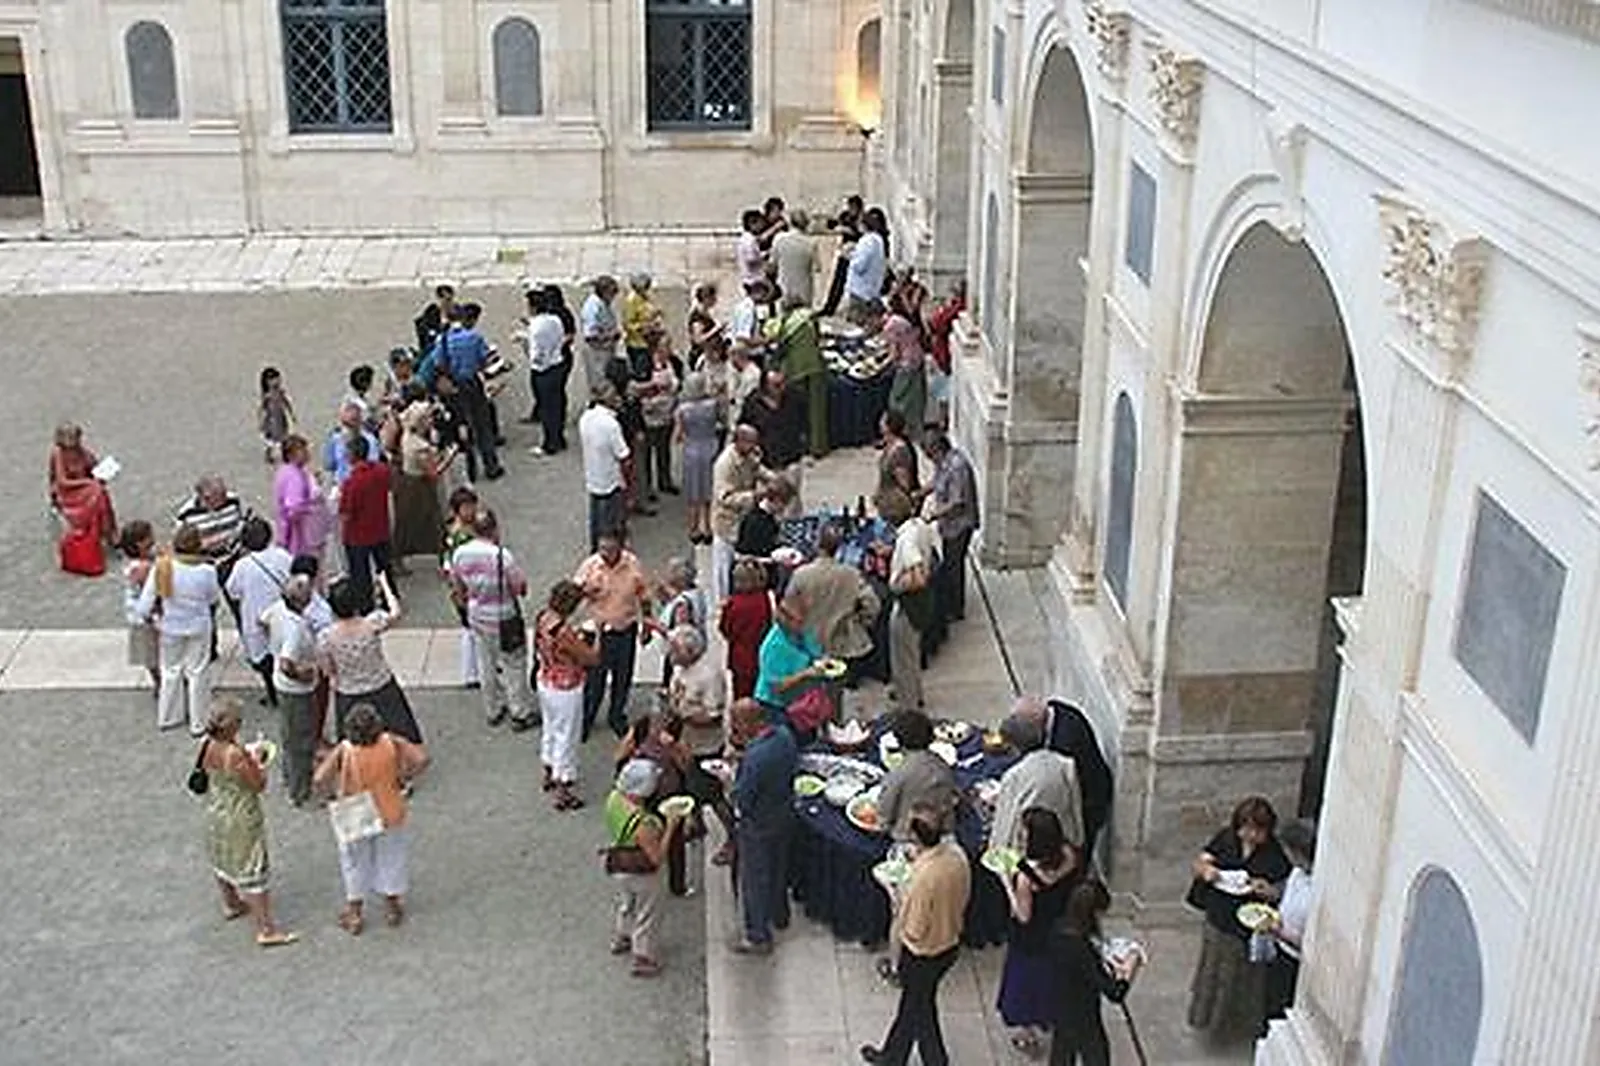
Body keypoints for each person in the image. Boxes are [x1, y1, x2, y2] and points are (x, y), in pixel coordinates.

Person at [859, 804, 971, 1066]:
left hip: (923, 954)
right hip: (950, 942)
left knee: (921, 1010)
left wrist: (893, 892)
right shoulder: (957, 857)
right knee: (914, 1005)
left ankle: (933, 1061)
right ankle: (893, 1055)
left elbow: (914, 930)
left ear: (917, 837)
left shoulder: (924, 878)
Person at [315, 703, 429, 935]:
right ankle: (392, 906)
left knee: (355, 862)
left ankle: (354, 912)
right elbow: (421, 759)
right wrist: (404, 777)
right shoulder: (391, 742)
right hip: (390, 810)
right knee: (391, 857)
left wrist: (329, 796)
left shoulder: (345, 750)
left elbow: (319, 778)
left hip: (356, 814)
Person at [1186, 796, 1292, 1041]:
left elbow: (1282, 889)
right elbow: (1202, 860)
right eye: (1246, 828)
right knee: (1213, 968)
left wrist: (1267, 890)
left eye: (1257, 830)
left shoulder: (1273, 854)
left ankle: (1232, 1025)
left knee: (1239, 976)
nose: (1250, 835)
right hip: (1219, 914)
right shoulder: (1226, 838)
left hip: (1246, 924)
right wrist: (1207, 871)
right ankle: (1208, 1019)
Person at [195, 702, 297, 948]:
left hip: (215, 809)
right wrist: (258, 763)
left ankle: (231, 903)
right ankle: (266, 928)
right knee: (252, 866)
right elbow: (258, 784)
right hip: (240, 815)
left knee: (222, 857)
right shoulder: (235, 754)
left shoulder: (205, 743)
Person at [997, 808, 1080, 1055]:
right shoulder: (1068, 854)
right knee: (1053, 979)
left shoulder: (1026, 876)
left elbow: (1023, 915)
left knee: (1026, 985)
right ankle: (1054, 1018)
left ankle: (1028, 1036)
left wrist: (1005, 882)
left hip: (1032, 937)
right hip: (1060, 926)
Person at [449, 509, 537, 731]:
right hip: (504, 617)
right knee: (513, 664)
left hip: (477, 616)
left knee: (485, 662)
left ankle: (493, 708)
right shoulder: (502, 556)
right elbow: (520, 588)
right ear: (494, 529)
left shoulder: (460, 554)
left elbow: (458, 587)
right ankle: (519, 712)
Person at [317, 574, 424, 744]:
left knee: (353, 739)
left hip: (348, 691)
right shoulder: (372, 623)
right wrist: (385, 586)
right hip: (380, 683)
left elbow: (327, 669)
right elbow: (396, 612)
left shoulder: (326, 637)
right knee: (398, 729)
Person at [728, 698, 799, 954]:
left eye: (736, 722)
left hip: (758, 824)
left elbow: (743, 799)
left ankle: (758, 935)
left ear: (748, 723)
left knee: (755, 879)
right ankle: (780, 914)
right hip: (784, 813)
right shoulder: (784, 736)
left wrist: (730, 781)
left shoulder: (756, 758)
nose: (733, 727)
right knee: (779, 867)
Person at [136, 525, 221, 735]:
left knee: (170, 670)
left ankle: (168, 716)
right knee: (198, 672)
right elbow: (213, 599)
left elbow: (144, 605)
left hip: (170, 625)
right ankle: (198, 722)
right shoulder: (207, 571)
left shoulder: (162, 567)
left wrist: (153, 619)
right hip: (199, 626)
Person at [605, 758, 682, 977]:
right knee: (648, 911)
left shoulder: (613, 799)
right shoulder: (643, 823)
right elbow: (657, 857)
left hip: (620, 863)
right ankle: (643, 956)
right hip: (643, 874)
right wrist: (671, 826)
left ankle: (623, 935)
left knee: (627, 903)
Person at [1013, 697, 1115, 864]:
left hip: (1090, 797)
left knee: (1081, 844)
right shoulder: (1054, 708)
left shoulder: (1066, 741)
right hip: (1079, 785)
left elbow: (1058, 784)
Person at [1049, 879, 1139, 1066]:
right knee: (1096, 1056)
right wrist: (1130, 967)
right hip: (1083, 1014)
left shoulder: (1058, 928)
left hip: (1059, 1005)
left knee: (1062, 1055)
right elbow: (1115, 993)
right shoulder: (1081, 949)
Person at [575, 531, 654, 741]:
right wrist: (586, 592)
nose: (605, 554)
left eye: (610, 549)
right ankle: (586, 718)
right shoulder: (590, 566)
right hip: (598, 632)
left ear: (621, 546)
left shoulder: (633, 565)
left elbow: (644, 596)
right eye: (602, 549)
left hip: (624, 629)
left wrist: (646, 625)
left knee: (623, 677)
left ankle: (617, 715)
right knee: (594, 681)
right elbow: (572, 593)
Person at [786, 523, 880, 688]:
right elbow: (872, 603)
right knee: (836, 690)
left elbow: (788, 609)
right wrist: (862, 621)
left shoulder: (801, 575)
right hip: (841, 641)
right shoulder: (851, 574)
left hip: (809, 641)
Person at [535, 580, 601, 809]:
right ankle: (562, 788)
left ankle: (548, 770)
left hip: (546, 679)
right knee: (567, 735)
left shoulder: (543, 617)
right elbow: (590, 658)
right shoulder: (563, 631)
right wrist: (595, 636)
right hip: (566, 686)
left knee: (551, 728)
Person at [990, 713, 1085, 859]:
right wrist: (1077, 842)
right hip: (1060, 844)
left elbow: (1005, 828)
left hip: (1030, 850)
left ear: (1014, 747)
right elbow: (1075, 808)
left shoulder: (1014, 776)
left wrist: (998, 857)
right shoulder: (1066, 764)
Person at [260, 575, 319, 805]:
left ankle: (289, 777)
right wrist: (302, 674)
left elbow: (262, 621)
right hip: (296, 690)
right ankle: (299, 790)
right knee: (301, 740)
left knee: (289, 734)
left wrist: (273, 644)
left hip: (281, 685)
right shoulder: (295, 629)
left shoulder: (277, 609)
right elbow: (286, 663)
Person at [224, 517, 294, 708]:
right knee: (284, 651)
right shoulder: (283, 556)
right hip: (282, 614)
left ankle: (272, 694)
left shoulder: (242, 566)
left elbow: (232, 590)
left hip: (255, 618)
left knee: (264, 659)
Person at [433, 302, 505, 480]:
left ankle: (470, 469)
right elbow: (484, 360)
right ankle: (491, 466)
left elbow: (438, 363)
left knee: (462, 425)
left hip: (455, 386)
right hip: (473, 383)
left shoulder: (442, 339)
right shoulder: (474, 337)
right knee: (482, 426)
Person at [923, 430, 979, 639]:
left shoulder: (957, 467)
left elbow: (957, 502)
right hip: (949, 525)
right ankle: (951, 602)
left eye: (930, 454)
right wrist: (921, 492)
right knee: (949, 563)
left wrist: (934, 514)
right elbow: (936, 481)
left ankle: (956, 609)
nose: (930, 459)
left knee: (954, 565)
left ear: (938, 449)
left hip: (960, 525)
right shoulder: (944, 463)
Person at [1262, 818, 1316, 1033]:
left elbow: (1314, 942)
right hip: (1280, 950)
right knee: (1270, 1001)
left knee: (1283, 1009)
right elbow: (1287, 891)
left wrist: (1279, 931)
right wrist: (1270, 891)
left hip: (1297, 961)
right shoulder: (1297, 872)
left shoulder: (1320, 887)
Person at [886, 504, 940, 712]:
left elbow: (918, 579)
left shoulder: (906, 540)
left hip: (908, 604)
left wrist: (898, 585)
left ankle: (908, 709)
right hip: (920, 604)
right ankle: (913, 693)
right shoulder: (919, 526)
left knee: (903, 657)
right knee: (912, 652)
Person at [876, 710, 958, 840]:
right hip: (943, 832)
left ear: (899, 741)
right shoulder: (942, 765)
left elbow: (884, 818)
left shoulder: (899, 774)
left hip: (910, 838)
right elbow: (953, 797)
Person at [765, 295, 830, 458]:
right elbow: (817, 338)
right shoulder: (810, 317)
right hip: (815, 365)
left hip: (794, 368)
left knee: (796, 407)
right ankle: (818, 447)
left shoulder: (784, 322)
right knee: (817, 410)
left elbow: (773, 338)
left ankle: (799, 442)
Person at [710, 424, 768, 603]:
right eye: (751, 443)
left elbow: (758, 470)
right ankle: (723, 602)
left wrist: (774, 480)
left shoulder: (749, 455)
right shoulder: (725, 464)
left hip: (743, 520)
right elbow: (725, 497)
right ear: (739, 442)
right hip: (726, 523)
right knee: (723, 568)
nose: (755, 447)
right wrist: (753, 496)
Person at [338, 434, 393, 615]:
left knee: (360, 572)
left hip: (357, 534)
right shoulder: (382, 471)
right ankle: (389, 598)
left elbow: (346, 511)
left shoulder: (352, 482)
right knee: (384, 566)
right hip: (380, 527)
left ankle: (365, 605)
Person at [740, 369, 806, 511]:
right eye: (776, 385)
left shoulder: (794, 398)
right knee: (767, 506)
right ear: (765, 386)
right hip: (766, 463)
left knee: (792, 505)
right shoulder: (753, 403)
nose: (781, 388)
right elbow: (744, 429)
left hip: (790, 459)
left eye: (783, 383)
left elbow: (803, 422)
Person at [392, 397, 447, 563]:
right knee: (432, 522)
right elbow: (433, 473)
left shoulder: (407, 436)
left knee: (405, 523)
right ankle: (442, 557)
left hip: (406, 482)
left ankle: (398, 558)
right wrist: (448, 457)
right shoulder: (420, 447)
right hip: (419, 487)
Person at [753, 592, 825, 720]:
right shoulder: (774, 646)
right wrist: (805, 674)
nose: (806, 624)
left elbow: (816, 651)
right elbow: (777, 687)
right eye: (801, 621)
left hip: (801, 699)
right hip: (775, 706)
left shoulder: (804, 631)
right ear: (786, 619)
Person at [579, 383, 631, 551]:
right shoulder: (611, 425)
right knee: (613, 522)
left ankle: (595, 549)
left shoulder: (586, 417)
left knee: (596, 520)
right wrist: (628, 482)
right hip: (611, 480)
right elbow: (623, 456)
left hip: (593, 477)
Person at [440, 486, 483, 690]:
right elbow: (454, 566)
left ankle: (475, 669)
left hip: (466, 587)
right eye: (468, 507)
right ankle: (471, 672)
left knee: (474, 629)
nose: (473, 511)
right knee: (470, 630)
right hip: (465, 589)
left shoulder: (458, 529)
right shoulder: (460, 536)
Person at [48, 422, 117, 545]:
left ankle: (109, 530)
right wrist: (88, 483)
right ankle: (107, 532)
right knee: (98, 493)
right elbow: (62, 482)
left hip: (84, 487)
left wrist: (101, 472)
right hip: (68, 492)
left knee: (101, 493)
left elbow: (93, 467)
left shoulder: (82, 452)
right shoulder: (58, 454)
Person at [674, 371, 721, 545]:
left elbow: (678, 435)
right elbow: (719, 422)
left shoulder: (682, 410)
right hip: (710, 447)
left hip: (692, 450)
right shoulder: (712, 405)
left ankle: (694, 529)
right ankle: (707, 527)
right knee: (709, 490)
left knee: (693, 492)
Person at [524, 286, 570, 456]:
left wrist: (525, 344)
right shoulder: (555, 320)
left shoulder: (535, 328)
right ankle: (559, 438)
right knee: (557, 405)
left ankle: (549, 443)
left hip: (543, 371)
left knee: (545, 408)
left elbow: (535, 356)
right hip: (557, 364)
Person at [720, 559, 773, 701]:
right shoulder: (766, 599)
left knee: (742, 696)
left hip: (740, 657)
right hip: (762, 653)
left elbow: (725, 629)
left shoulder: (733, 604)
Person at [117, 521, 160, 693]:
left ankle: (159, 682)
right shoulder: (142, 568)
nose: (154, 539)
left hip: (137, 614)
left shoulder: (135, 562)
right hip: (145, 616)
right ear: (139, 543)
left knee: (149, 652)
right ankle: (160, 683)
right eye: (149, 536)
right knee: (152, 652)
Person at [272, 435, 331, 560]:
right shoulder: (294, 476)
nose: (307, 453)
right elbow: (294, 508)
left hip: (299, 536)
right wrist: (311, 509)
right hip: (303, 538)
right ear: (291, 454)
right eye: (303, 450)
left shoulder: (287, 472)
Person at [637, 335, 681, 501]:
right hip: (649, 415)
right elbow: (637, 387)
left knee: (664, 450)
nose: (669, 349)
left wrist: (674, 387)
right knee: (647, 454)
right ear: (656, 348)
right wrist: (653, 387)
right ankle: (647, 487)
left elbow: (679, 381)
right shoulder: (644, 362)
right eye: (665, 346)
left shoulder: (674, 362)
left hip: (667, 413)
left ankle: (665, 481)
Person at [884, 289, 929, 436]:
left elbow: (894, 354)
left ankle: (897, 431)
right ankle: (915, 429)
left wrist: (882, 365)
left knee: (896, 399)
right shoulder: (902, 320)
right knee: (915, 398)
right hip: (918, 359)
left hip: (907, 363)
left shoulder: (891, 326)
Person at [926, 280, 965, 428]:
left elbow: (938, 323)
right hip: (941, 355)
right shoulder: (953, 306)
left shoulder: (957, 308)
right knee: (941, 392)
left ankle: (944, 422)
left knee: (944, 393)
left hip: (946, 356)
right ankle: (942, 419)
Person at [321, 402, 383, 487]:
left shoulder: (370, 440)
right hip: (342, 486)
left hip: (362, 486)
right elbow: (328, 464)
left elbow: (373, 463)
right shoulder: (335, 439)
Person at [845, 208, 890, 324]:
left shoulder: (866, 241)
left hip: (860, 290)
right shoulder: (879, 240)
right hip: (872, 289)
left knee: (856, 324)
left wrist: (849, 257)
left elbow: (859, 266)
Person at [581, 274, 623, 394]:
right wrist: (611, 335)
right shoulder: (592, 307)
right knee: (601, 385)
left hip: (606, 350)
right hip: (597, 353)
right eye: (612, 293)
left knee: (608, 382)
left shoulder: (603, 303)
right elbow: (590, 335)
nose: (614, 297)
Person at [876, 409, 921, 519]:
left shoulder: (899, 452)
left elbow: (905, 484)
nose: (879, 422)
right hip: (887, 503)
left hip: (896, 508)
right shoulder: (889, 444)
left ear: (889, 426)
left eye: (883, 420)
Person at [621, 271, 666, 380]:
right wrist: (644, 326)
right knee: (641, 372)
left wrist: (656, 314)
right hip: (637, 343)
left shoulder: (645, 297)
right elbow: (628, 324)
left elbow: (647, 311)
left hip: (650, 341)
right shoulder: (631, 301)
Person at [771, 208, 817, 306]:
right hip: (804, 287)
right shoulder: (811, 242)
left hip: (784, 285)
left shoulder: (779, 239)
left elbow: (773, 263)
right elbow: (817, 268)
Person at [259, 366, 295, 462]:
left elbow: (286, 403)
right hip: (271, 420)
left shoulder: (281, 392)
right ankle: (268, 453)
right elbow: (263, 408)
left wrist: (291, 414)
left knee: (284, 436)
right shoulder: (267, 396)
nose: (276, 381)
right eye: (272, 379)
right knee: (271, 439)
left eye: (277, 378)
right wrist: (262, 420)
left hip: (280, 417)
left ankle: (285, 454)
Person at [687, 281, 726, 368]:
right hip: (702, 355)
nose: (715, 300)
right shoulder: (697, 317)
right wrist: (716, 329)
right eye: (713, 297)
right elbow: (698, 339)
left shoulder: (706, 314)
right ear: (706, 298)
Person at [414, 282, 456, 355]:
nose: (449, 303)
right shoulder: (429, 317)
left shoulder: (456, 315)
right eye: (446, 299)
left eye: (450, 299)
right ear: (439, 299)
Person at [735, 207, 769, 288]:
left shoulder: (746, 238)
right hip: (754, 279)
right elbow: (751, 259)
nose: (762, 225)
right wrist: (764, 256)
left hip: (750, 278)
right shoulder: (749, 240)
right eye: (760, 222)